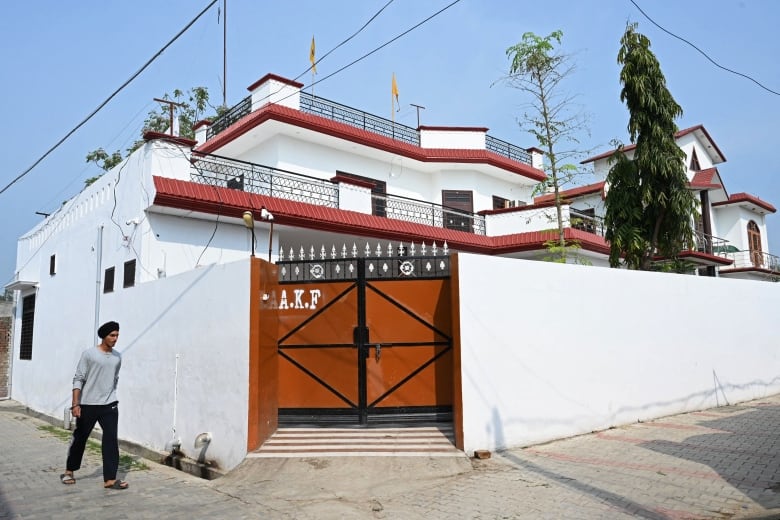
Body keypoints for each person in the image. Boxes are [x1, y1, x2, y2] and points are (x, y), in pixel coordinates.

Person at [60, 320, 129, 490]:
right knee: (80, 439)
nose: (115, 338)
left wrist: (111, 394)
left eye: (117, 335)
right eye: (112, 335)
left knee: (111, 440)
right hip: (88, 405)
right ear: (104, 336)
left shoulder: (117, 357)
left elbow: (114, 378)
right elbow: (78, 378)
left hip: (109, 405)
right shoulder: (89, 354)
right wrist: (76, 403)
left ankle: (110, 479)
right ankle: (69, 471)